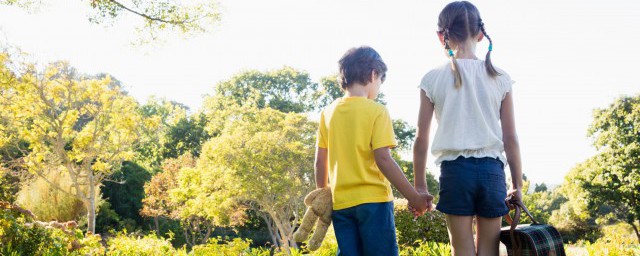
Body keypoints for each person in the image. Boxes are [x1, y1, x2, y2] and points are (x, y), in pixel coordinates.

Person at [412, 1, 524, 255]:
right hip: (492, 172)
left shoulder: (431, 79)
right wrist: (516, 183)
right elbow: (510, 137)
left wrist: (420, 186)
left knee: (460, 249)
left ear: (441, 36)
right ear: (480, 34)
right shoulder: (501, 78)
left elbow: (421, 138)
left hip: (455, 173)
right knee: (489, 250)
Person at [315, 46, 433, 256]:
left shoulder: (327, 113)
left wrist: (322, 194)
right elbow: (384, 160)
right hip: (374, 203)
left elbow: (320, 162)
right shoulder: (377, 111)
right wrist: (413, 197)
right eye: (380, 81)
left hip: (341, 204)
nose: (378, 87)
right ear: (373, 74)